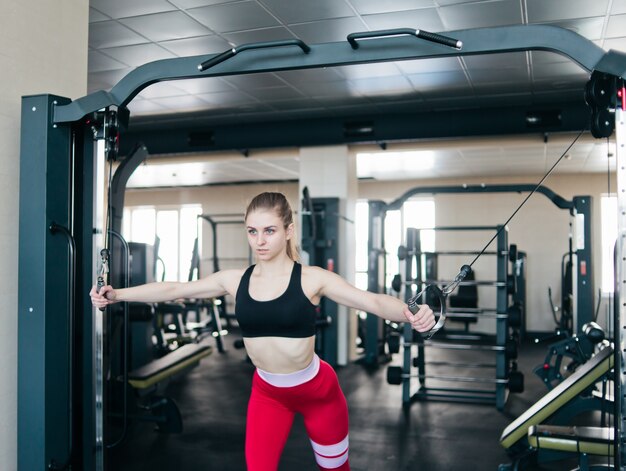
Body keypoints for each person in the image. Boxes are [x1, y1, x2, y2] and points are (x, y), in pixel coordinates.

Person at [90, 191, 435, 471]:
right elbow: (175, 289)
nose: (260, 240)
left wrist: (410, 313)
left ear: (287, 230)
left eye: (269, 230)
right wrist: (118, 294)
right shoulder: (234, 280)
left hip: (317, 391)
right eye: (253, 231)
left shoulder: (312, 277)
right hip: (268, 394)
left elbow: (371, 302)